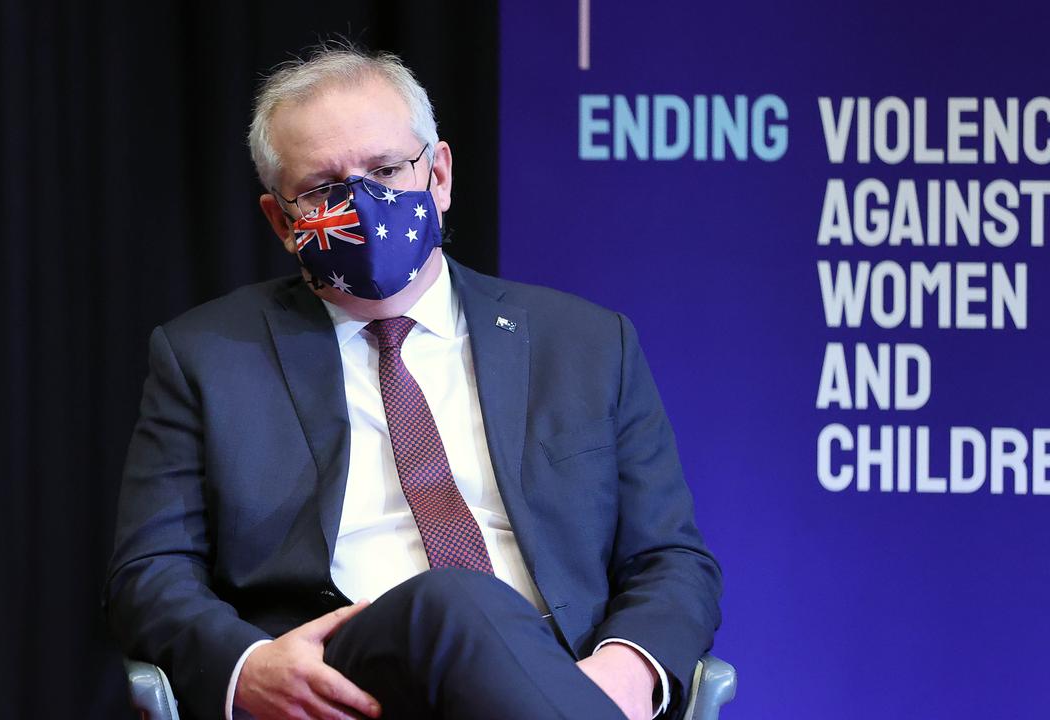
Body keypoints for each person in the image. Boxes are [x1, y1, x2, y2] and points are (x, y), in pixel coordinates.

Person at [105, 44, 721, 720]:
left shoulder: (586, 343)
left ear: (440, 174)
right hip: (346, 683)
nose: (365, 204)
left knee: (484, 626)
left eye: (386, 169)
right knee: (453, 598)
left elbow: (670, 558)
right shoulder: (207, 356)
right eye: (322, 189)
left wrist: (628, 664)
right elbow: (150, 574)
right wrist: (250, 665)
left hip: (556, 673)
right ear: (282, 221)